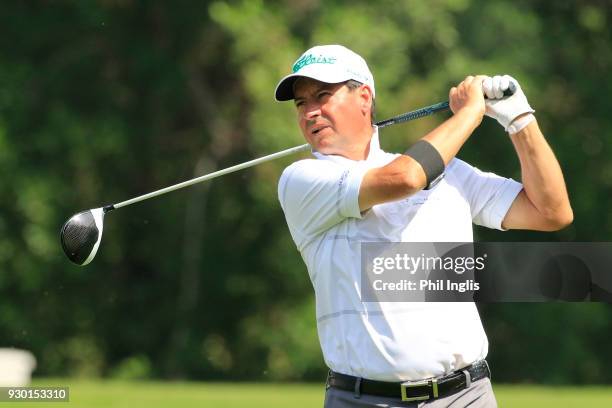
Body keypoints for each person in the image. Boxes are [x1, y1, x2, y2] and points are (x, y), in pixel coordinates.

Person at [274, 45, 572, 407]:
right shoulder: (303, 179)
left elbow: (551, 211)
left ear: (364, 97)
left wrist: (519, 120)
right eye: (301, 103)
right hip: (362, 399)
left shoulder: (451, 172)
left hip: (466, 396)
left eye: (323, 95)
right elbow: (407, 177)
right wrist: (470, 114)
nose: (311, 112)